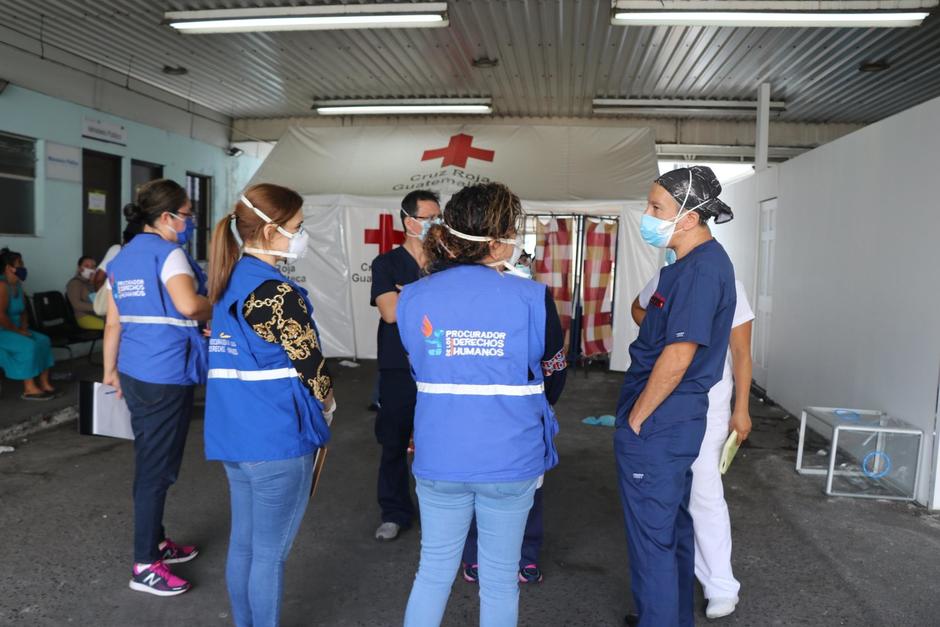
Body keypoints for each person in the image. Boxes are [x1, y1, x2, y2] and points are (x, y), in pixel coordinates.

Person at [398, 182, 564, 627]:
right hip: (511, 456)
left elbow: (418, 368)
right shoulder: (532, 298)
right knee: (499, 579)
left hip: (439, 453)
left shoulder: (413, 296)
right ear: (497, 240)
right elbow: (554, 373)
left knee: (433, 572)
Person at [205, 183, 334, 627]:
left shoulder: (227, 280)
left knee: (244, 545)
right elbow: (313, 369)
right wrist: (328, 404)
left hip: (235, 437)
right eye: (297, 226)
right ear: (269, 230)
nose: (301, 234)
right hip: (276, 439)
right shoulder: (278, 294)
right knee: (269, 555)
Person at [614, 166, 736, 627]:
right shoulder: (683, 265)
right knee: (671, 529)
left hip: (662, 418)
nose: (647, 215)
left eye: (656, 208)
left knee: (652, 539)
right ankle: (667, 615)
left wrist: (637, 418)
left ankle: (660, 617)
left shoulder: (702, 270)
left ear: (688, 218)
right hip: (670, 417)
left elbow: (680, 354)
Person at [102, 178, 211, 597]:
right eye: (186, 215)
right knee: (155, 469)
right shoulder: (169, 254)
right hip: (165, 371)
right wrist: (220, 306)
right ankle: (146, 564)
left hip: (135, 369)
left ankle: (158, 542)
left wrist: (110, 370)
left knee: (152, 460)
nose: (189, 222)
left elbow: (114, 322)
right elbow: (189, 305)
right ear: (166, 217)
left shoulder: (123, 257)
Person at [633, 271, 754, 619]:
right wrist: (662, 333)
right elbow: (637, 308)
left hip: (709, 403)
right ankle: (672, 579)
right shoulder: (665, 278)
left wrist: (742, 409)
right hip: (662, 396)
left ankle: (721, 585)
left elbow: (741, 352)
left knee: (703, 491)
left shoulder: (729, 285)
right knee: (664, 492)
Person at [370, 189, 442, 542]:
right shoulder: (386, 263)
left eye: (439, 218)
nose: (436, 224)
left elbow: (452, 305)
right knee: (394, 442)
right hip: (398, 366)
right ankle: (395, 512)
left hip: (439, 365)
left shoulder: (445, 262)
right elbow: (391, 312)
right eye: (429, 218)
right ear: (409, 221)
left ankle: (440, 514)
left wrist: (408, 292)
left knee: (438, 442)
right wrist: (426, 293)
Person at [0, 248, 56, 400]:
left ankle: (44, 383)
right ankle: (29, 389)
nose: (23, 267)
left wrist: (24, 325)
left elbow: (23, 310)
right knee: (28, 345)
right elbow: (1, 315)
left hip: (15, 328)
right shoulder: (2, 286)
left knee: (44, 340)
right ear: (9, 268)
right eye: (20, 263)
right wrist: (18, 331)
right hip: (3, 330)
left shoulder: (17, 284)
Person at [66, 256, 105, 330]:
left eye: (93, 266)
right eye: (87, 266)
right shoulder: (74, 283)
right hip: (84, 317)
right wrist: (98, 307)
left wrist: (92, 283)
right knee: (112, 327)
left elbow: (96, 298)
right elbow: (77, 304)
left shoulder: (91, 283)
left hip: (97, 314)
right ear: (79, 268)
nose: (90, 269)